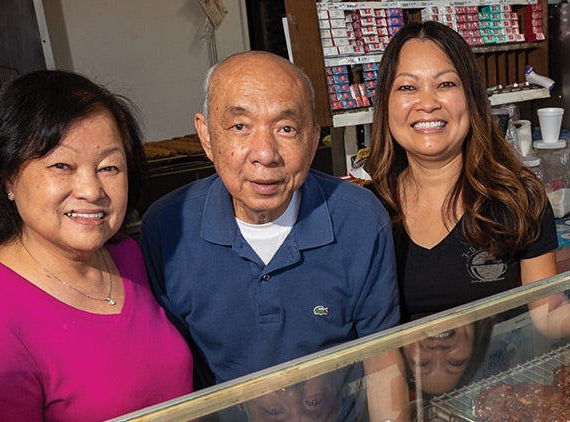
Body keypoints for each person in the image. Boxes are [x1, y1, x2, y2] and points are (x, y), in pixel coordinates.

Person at [366, 21, 570, 342]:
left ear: (472, 99)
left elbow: (550, 315)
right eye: (407, 87)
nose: (427, 102)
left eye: (445, 84)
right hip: (399, 390)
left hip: (501, 389)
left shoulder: (518, 199)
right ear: (385, 103)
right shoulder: (364, 212)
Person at [140, 51, 409, 420]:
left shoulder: (359, 220)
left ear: (314, 140)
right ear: (205, 135)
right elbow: (172, 373)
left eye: (286, 128)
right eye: (240, 127)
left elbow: (382, 358)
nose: (265, 154)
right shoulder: (169, 228)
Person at [0, 70, 192, 421]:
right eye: (62, 165)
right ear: (8, 178)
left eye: (109, 167)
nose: (92, 191)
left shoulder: (126, 256)